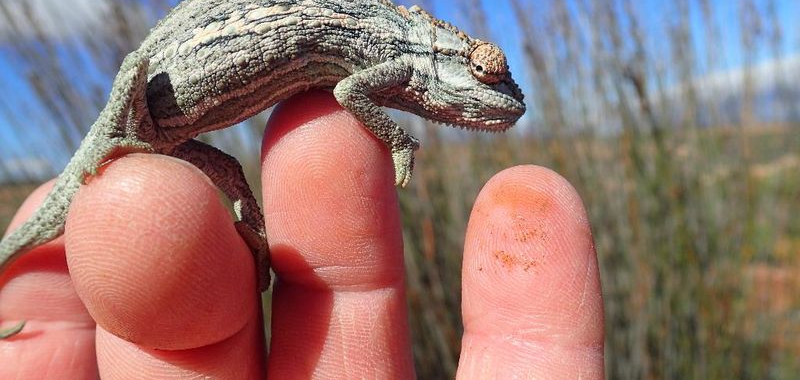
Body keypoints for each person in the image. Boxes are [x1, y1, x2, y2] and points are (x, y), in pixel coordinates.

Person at [0, 91, 604, 378]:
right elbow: (349, 93)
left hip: (168, 119)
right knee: (146, 215)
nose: (491, 94)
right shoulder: (390, 55)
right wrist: (395, 140)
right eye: (481, 71)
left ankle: (252, 246)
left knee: (230, 180)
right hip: (157, 98)